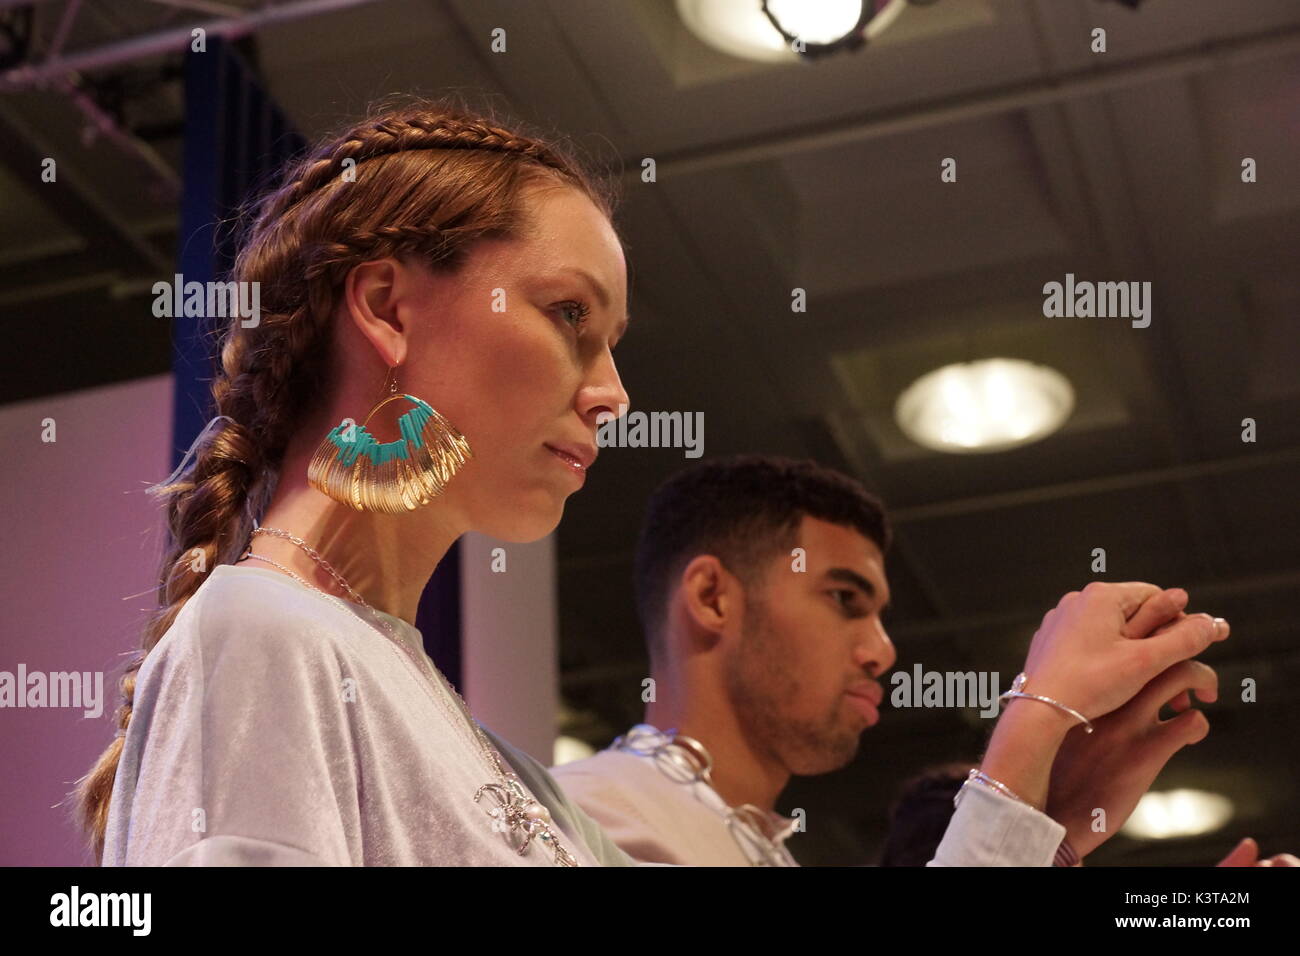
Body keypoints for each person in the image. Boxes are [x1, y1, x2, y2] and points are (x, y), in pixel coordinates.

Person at [74, 96, 1232, 868]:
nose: (612, 391)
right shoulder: (264, 633)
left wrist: (1043, 812)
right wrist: (1024, 748)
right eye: (567, 315)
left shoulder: (462, 738)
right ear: (384, 305)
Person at [552, 456, 1269, 867]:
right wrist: (1032, 721)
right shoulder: (584, 815)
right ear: (712, 596)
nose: (883, 650)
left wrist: (1053, 828)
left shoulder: (755, 843)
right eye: (844, 598)